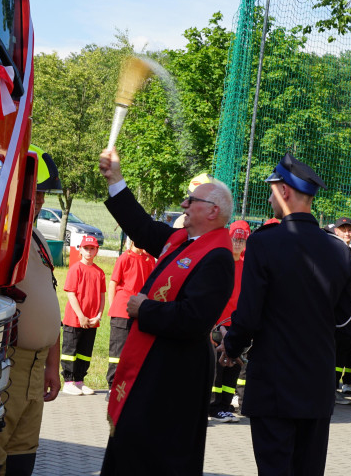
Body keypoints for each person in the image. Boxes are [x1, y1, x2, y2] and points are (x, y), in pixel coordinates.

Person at [98, 147, 234, 476]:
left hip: (176, 373)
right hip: (155, 364)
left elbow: (193, 319)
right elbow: (142, 227)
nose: (184, 204)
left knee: (157, 454)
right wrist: (116, 179)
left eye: (192, 201)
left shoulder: (217, 257)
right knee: (130, 444)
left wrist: (145, 308)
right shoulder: (180, 240)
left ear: (213, 211)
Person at [222, 153, 351, 475]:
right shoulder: (340, 251)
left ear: (284, 191)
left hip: (273, 386)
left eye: (271, 190)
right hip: (317, 386)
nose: (269, 197)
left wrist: (231, 347)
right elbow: (348, 324)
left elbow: (249, 314)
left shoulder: (264, 243)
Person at [0, 146, 62, 476]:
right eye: (37, 193)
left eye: (45, 195)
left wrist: (52, 364)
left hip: (35, 370)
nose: (42, 202)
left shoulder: (37, 239)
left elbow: (50, 301)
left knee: (22, 457)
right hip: (8, 366)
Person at [209, 220, 250, 422]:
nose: (237, 243)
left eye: (241, 240)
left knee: (233, 366)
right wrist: (219, 326)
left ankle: (225, 405)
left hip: (237, 326)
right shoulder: (221, 262)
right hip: (218, 324)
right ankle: (213, 405)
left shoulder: (246, 267)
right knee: (218, 366)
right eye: (234, 238)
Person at [61, 235, 106, 396]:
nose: (88, 251)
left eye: (92, 249)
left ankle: (79, 381)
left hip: (92, 321)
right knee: (70, 350)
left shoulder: (99, 272)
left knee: (85, 352)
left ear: (96, 251)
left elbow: (101, 296)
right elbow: (71, 294)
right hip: (75, 319)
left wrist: (98, 316)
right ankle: (68, 382)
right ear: (80, 250)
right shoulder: (75, 269)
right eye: (85, 248)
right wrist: (80, 315)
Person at [106, 240, 154, 387]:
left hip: (141, 311)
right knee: (118, 351)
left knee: (136, 352)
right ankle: (113, 385)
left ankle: (131, 385)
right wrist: (113, 306)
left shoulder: (150, 260)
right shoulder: (124, 258)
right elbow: (113, 282)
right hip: (122, 309)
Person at [332, 217, 351, 403]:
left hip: (346, 313)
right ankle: (327, 390)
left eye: (349, 229)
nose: (347, 233)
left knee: (341, 352)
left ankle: (333, 389)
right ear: (336, 231)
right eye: (343, 229)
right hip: (335, 313)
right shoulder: (334, 250)